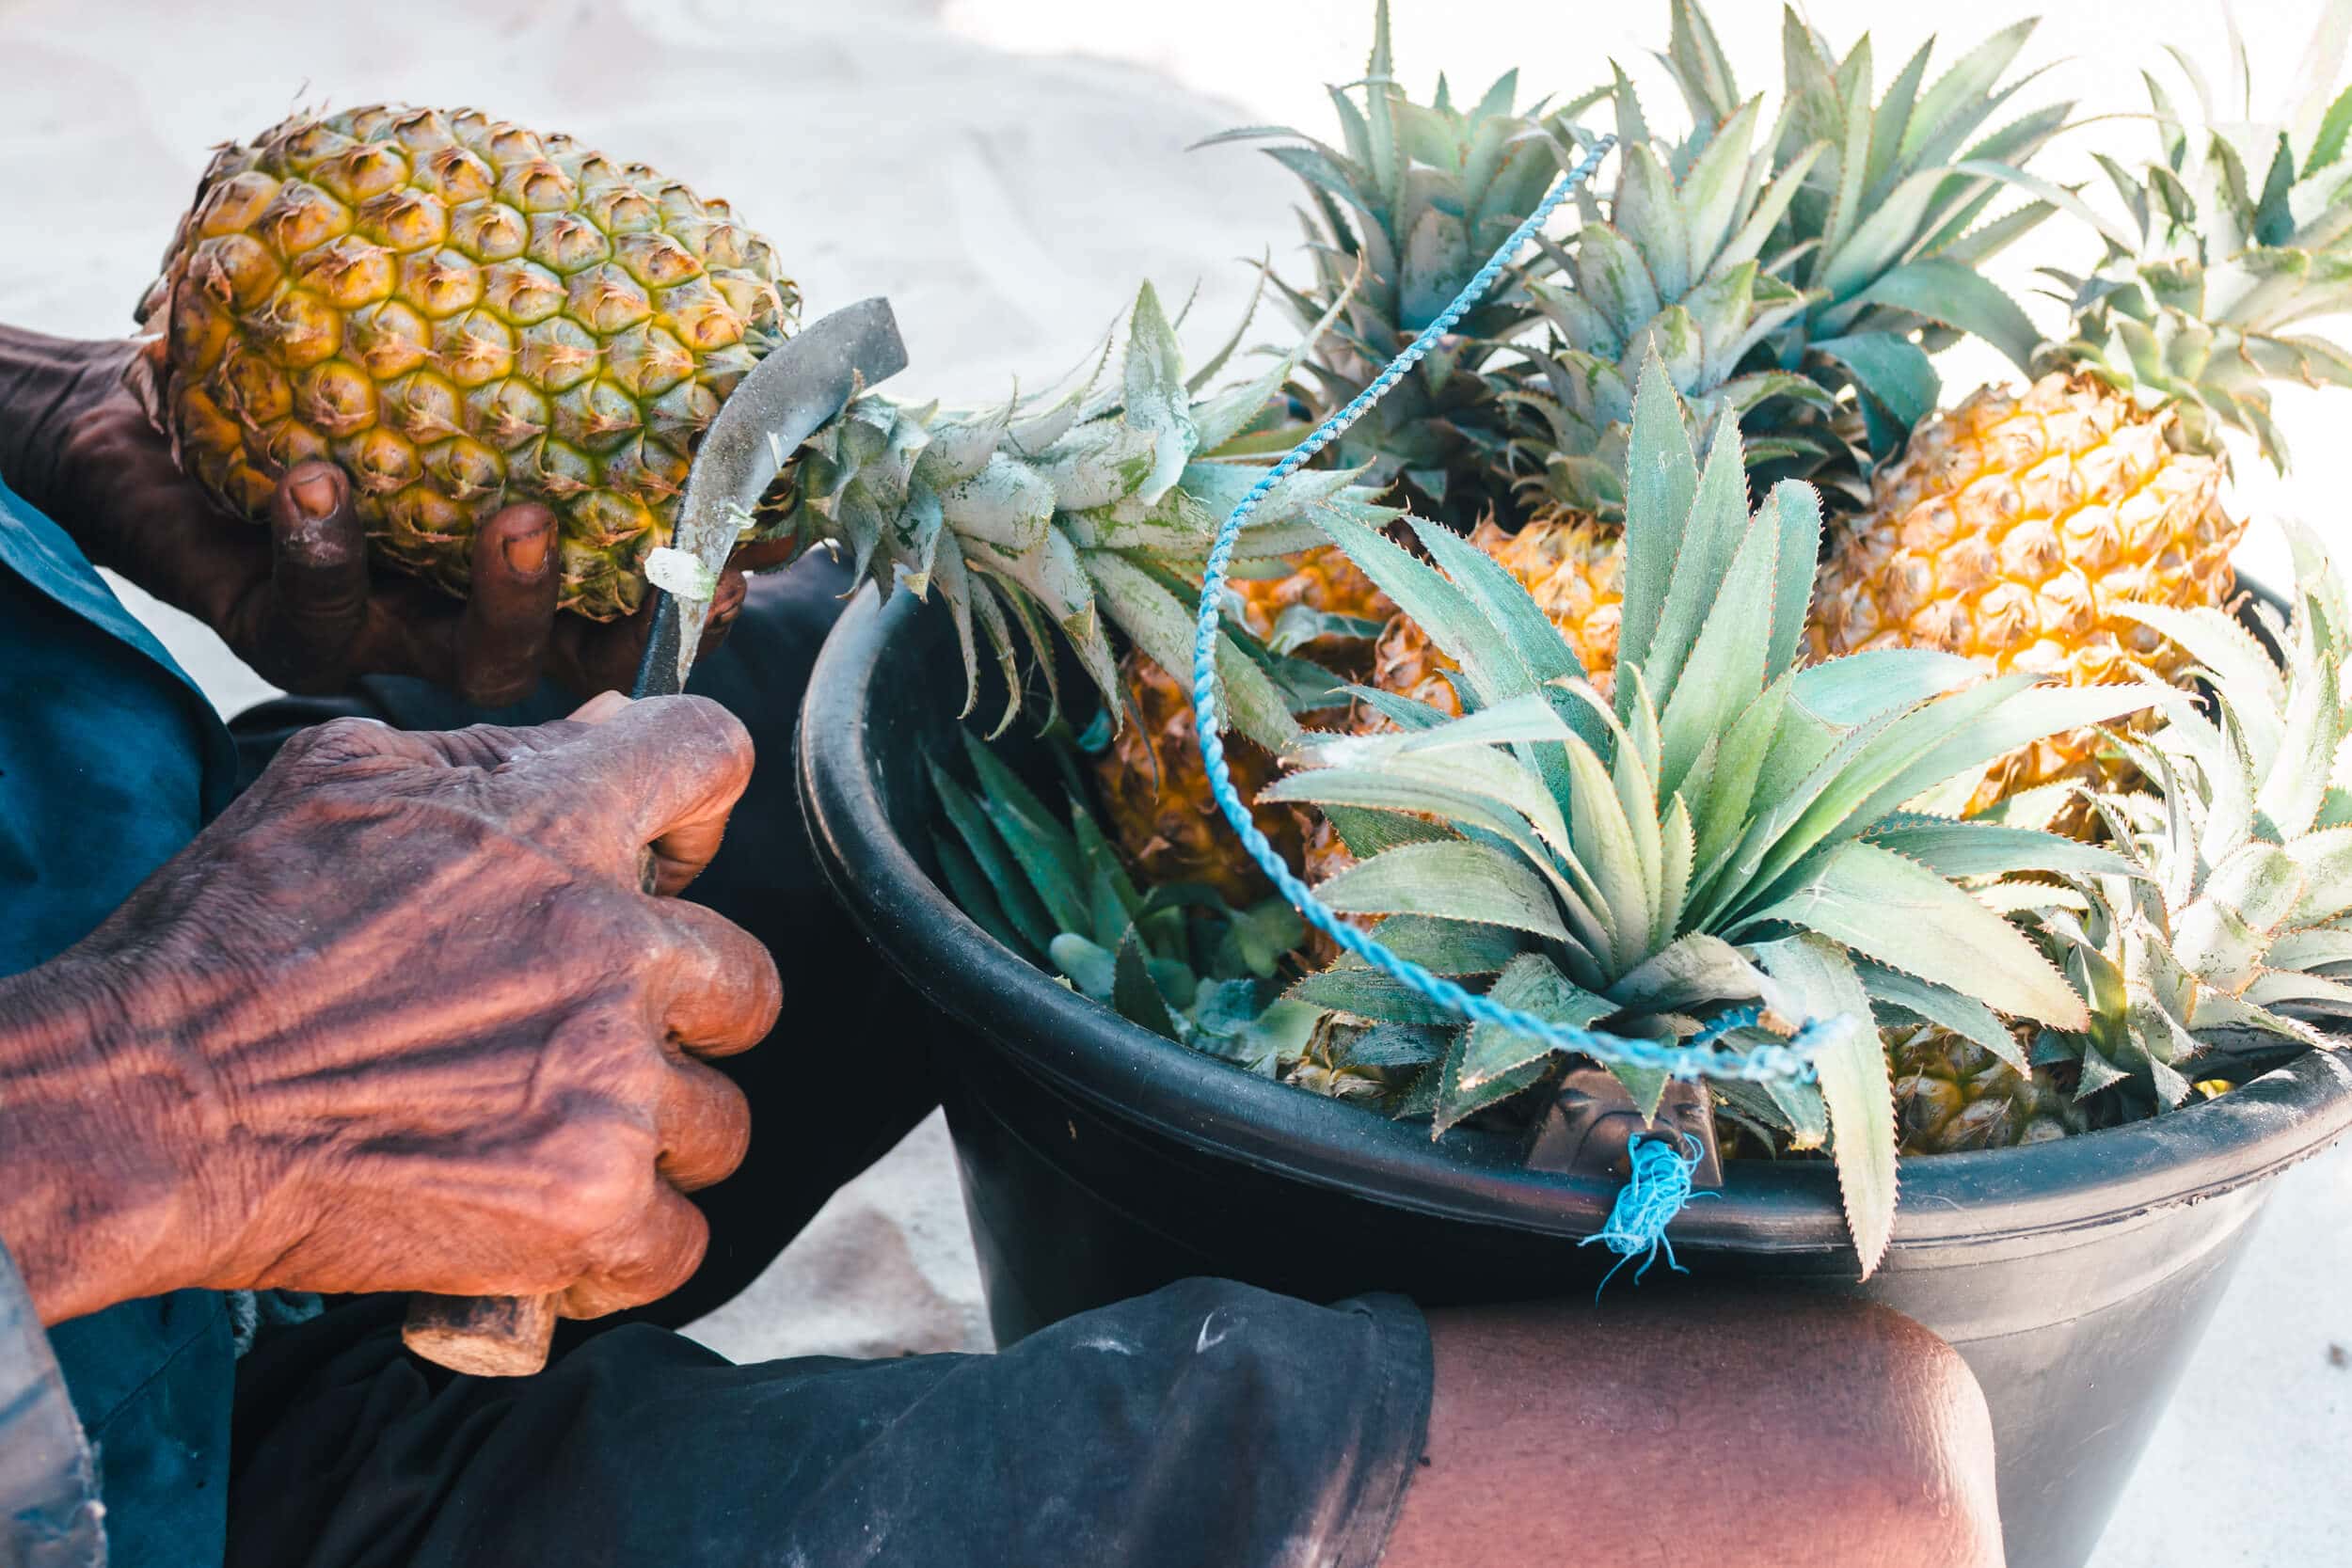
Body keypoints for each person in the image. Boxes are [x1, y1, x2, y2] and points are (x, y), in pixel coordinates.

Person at [0, 324, 2006, 1568]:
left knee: (988, 622)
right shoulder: (172, 1099)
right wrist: (169, 1095)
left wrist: (52, 423)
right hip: (130, 1448)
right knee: (1838, 1494)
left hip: (179, 880)